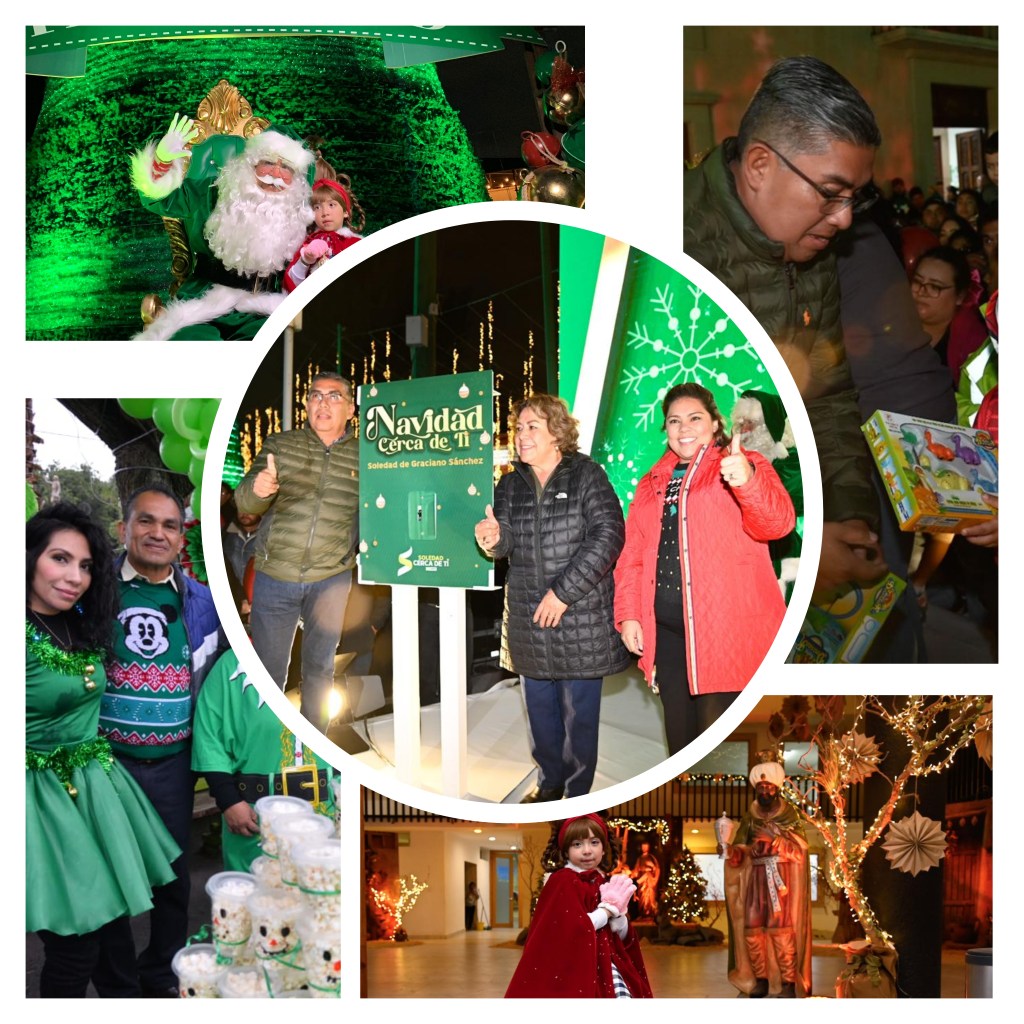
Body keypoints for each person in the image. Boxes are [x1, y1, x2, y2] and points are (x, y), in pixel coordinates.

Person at [683, 56, 888, 602]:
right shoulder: (675, 246)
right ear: (757, 165)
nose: (845, 219)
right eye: (829, 192)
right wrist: (797, 553)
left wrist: (845, 520)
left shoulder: (813, 250)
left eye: (855, 198)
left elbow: (827, 399)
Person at [26, 503, 180, 998]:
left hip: (93, 791)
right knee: (76, 944)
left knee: (113, 929)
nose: (74, 576)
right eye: (59, 559)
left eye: (87, 565)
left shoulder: (83, 622)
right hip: (39, 801)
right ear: (27, 557)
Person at [614, 384, 794, 755]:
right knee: (680, 745)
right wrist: (630, 615)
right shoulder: (650, 484)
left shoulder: (744, 465)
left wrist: (747, 482)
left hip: (725, 633)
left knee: (714, 747)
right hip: (667, 635)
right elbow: (632, 555)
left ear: (715, 423)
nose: (684, 428)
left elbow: (778, 524)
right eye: (674, 421)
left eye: (695, 418)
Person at [97, 484, 225, 997]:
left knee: (173, 881)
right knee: (110, 881)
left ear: (181, 537)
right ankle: (119, 987)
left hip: (173, 765)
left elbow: (218, 681)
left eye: (169, 525)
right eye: (146, 521)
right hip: (106, 763)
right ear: (124, 528)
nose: (157, 533)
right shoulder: (92, 588)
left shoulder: (204, 604)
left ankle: (161, 978)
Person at [473, 395, 629, 802]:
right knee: (540, 712)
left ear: (557, 433)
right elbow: (506, 541)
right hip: (527, 615)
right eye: (519, 427)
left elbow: (608, 535)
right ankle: (549, 782)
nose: (522, 436)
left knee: (579, 717)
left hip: (580, 616)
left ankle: (578, 792)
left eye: (532, 427)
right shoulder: (510, 483)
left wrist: (563, 593)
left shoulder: (587, 476)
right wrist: (492, 539)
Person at [234, 372, 359, 734]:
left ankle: (312, 744)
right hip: (276, 576)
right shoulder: (280, 444)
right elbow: (246, 501)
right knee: (268, 668)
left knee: (320, 668)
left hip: (332, 578)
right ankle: (262, 742)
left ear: (350, 409)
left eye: (334, 396)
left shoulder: (367, 454)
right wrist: (258, 489)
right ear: (306, 404)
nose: (322, 402)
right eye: (315, 395)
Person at [131, 115, 316, 339]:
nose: (275, 175)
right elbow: (162, 200)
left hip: (265, 308)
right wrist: (161, 162)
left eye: (286, 167)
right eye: (268, 162)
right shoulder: (214, 192)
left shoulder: (300, 216)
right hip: (203, 300)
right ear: (251, 163)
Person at [191, 648, 338, 872]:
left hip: (324, 821)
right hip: (255, 820)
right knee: (258, 899)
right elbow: (210, 738)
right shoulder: (233, 666)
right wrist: (228, 800)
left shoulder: (325, 663)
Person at [505, 814, 652, 998]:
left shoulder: (602, 882)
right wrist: (607, 910)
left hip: (607, 964)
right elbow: (573, 929)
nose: (587, 851)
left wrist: (620, 917)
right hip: (573, 970)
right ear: (566, 850)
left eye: (594, 842)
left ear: (604, 848)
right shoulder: (562, 881)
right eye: (577, 844)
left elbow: (620, 937)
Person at [722, 755, 812, 998]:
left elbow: (801, 851)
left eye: (768, 787)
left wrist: (776, 840)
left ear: (776, 789)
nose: (763, 790)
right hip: (756, 878)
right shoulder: (750, 817)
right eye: (760, 787)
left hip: (781, 879)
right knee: (752, 930)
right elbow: (741, 851)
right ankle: (760, 980)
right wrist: (732, 851)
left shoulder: (789, 814)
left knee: (780, 931)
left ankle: (787, 983)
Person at [910, 245, 986, 384]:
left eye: (935, 287)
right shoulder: (893, 323)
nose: (921, 291)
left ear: (960, 296)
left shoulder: (973, 346)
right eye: (917, 281)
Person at [284, 175, 364, 292]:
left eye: (331, 205)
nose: (325, 213)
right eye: (317, 207)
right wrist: (305, 260)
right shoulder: (307, 244)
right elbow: (292, 285)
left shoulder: (357, 245)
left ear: (346, 212)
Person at [631, 841, 661, 919]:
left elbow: (657, 868)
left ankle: (650, 912)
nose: (644, 848)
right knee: (642, 897)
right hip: (642, 880)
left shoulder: (651, 858)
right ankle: (643, 913)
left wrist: (653, 877)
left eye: (645, 846)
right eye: (643, 846)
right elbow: (636, 870)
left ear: (648, 847)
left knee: (649, 896)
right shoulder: (640, 858)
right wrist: (631, 875)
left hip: (649, 880)